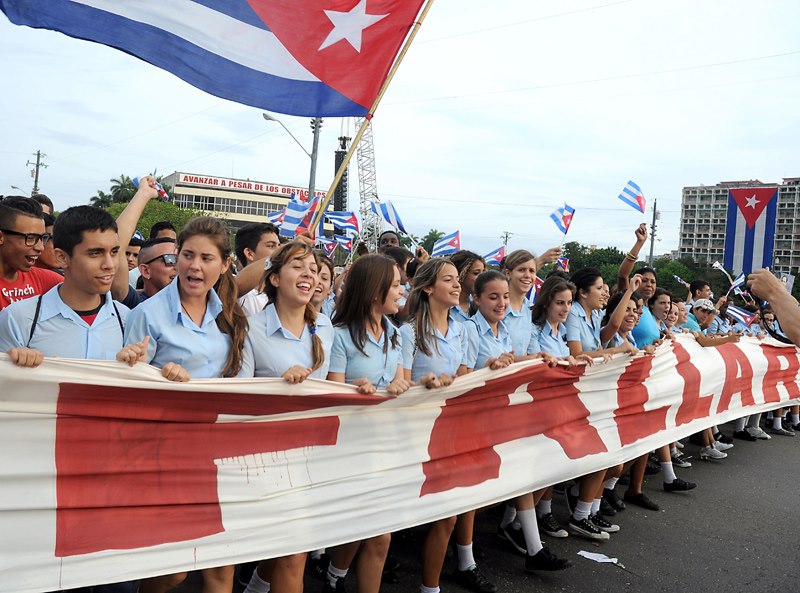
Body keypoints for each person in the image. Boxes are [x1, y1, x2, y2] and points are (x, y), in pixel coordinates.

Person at [0, 205, 146, 593]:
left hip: (110, 487)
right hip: (39, 485)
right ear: (62, 257)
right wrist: (16, 371)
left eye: (115, 252)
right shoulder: (19, 320)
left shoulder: (129, 322)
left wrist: (153, 373)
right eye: (95, 253)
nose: (110, 265)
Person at [125, 216, 250, 593]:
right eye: (187, 255)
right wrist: (156, 377)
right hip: (166, 453)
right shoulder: (145, 314)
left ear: (225, 265)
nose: (195, 266)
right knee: (174, 568)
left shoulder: (232, 314)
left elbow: (243, 382)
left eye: (207, 258)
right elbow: (128, 391)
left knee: (222, 561)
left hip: (220, 449)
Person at [400, 258, 494, 593]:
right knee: (390, 520)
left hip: (451, 429)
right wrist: (423, 384)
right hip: (414, 434)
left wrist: (490, 368)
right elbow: (397, 387)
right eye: (448, 280)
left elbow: (465, 377)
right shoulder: (408, 332)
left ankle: (431, 587)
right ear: (427, 288)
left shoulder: (464, 328)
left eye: (458, 280)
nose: (457, 285)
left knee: (449, 513)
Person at [322, 254, 409, 593]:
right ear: (375, 292)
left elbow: (400, 383)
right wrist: (355, 390)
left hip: (386, 444)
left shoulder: (396, 334)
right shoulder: (340, 336)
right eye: (397, 285)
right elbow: (332, 391)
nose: (402, 292)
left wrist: (419, 384)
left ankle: (334, 575)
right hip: (349, 446)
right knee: (369, 529)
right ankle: (334, 573)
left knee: (377, 534)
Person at [0, 196, 62, 310]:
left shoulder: (45, 279)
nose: (40, 248)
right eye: (30, 238)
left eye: (43, 238)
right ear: (1, 237)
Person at [234, 222, 280, 315]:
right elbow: (235, 288)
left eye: (279, 246)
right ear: (249, 253)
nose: (278, 251)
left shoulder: (281, 292)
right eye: (271, 246)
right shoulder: (230, 285)